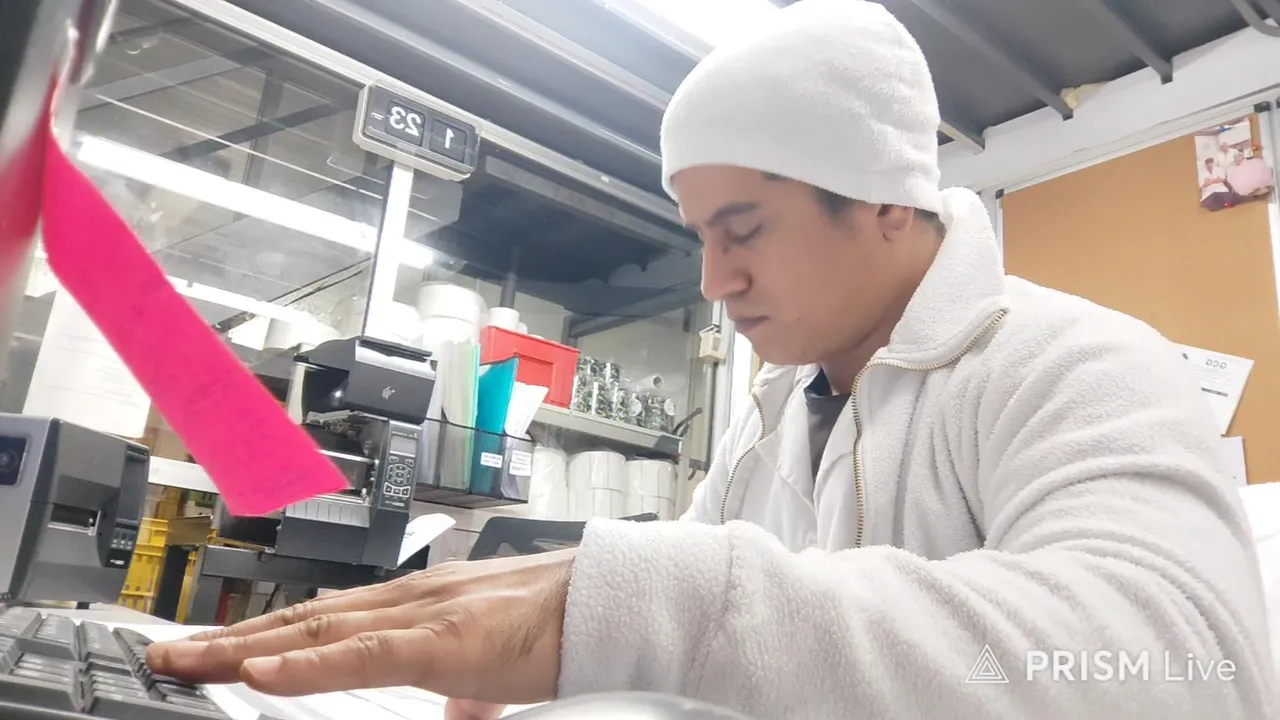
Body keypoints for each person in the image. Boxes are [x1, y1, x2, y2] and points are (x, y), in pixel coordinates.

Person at [145, 1, 1274, 718]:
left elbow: (1182, 672)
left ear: (885, 202)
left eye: (743, 229)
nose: (714, 280)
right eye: (698, 238)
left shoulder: (1072, 365)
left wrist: (662, 609)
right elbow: (684, 643)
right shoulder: (771, 422)